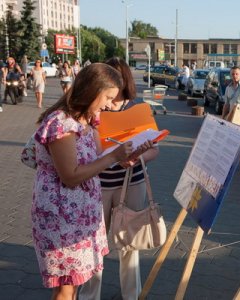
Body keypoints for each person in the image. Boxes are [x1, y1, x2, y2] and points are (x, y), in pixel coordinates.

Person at [31, 63, 149, 300]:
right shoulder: (62, 123)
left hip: (81, 215)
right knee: (65, 287)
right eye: (107, 97)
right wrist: (114, 157)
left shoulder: (87, 120)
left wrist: (122, 159)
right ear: (92, 90)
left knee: (73, 284)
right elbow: (71, 175)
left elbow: (97, 157)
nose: (108, 105)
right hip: (62, 217)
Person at [78, 57, 160, 300]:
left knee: (129, 242)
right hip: (99, 184)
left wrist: (138, 157)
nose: (112, 101)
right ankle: (90, 294)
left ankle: (131, 295)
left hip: (131, 183)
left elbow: (155, 149)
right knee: (93, 241)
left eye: (117, 92)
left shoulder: (137, 109)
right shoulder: (94, 110)